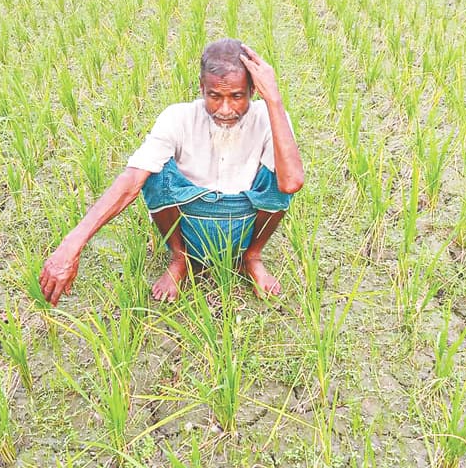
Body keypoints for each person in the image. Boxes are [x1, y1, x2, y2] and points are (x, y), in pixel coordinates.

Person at [38, 39, 304, 305]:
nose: (225, 109)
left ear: (253, 90)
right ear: (202, 88)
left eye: (236, 96)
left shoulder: (270, 117)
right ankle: (180, 258)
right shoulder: (177, 117)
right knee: (152, 170)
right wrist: (71, 245)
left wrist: (275, 100)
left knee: (279, 172)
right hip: (190, 222)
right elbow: (131, 180)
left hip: (244, 225)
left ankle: (251, 257)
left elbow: (291, 181)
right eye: (214, 96)